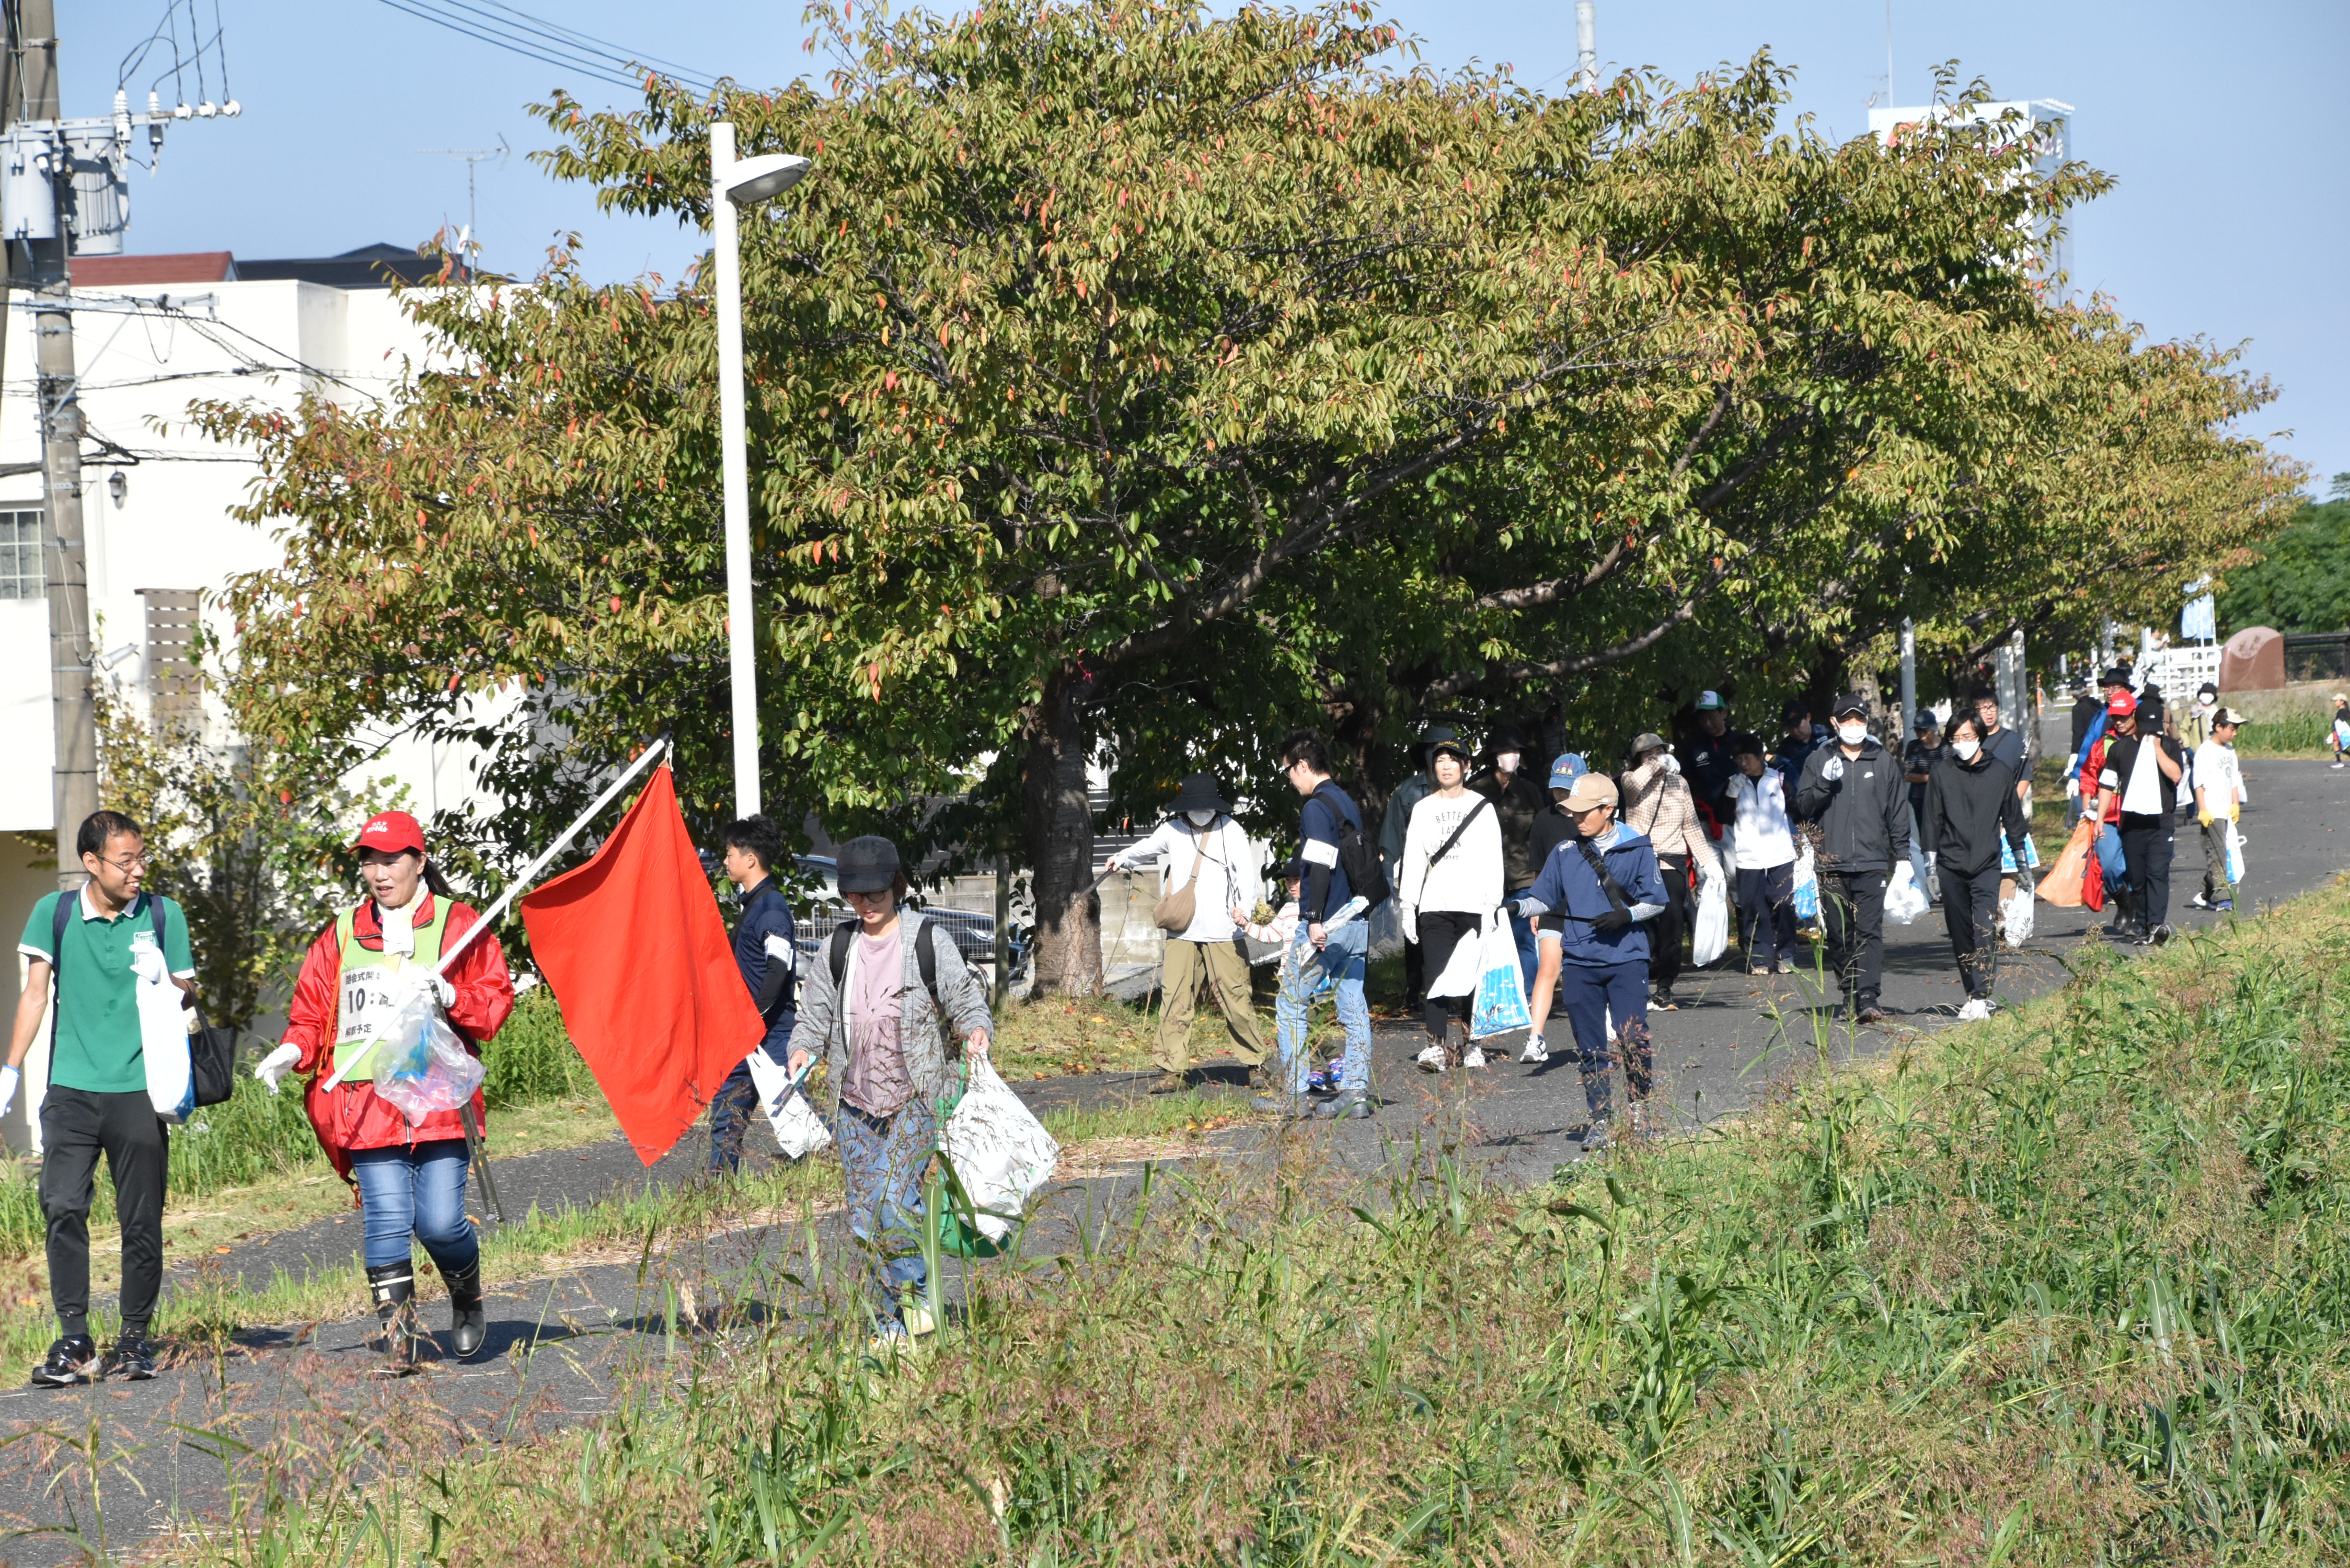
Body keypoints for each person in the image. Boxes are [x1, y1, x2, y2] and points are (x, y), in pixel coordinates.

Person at [256, 811, 515, 1373]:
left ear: (419, 861)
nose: (378, 872)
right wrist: (293, 1051)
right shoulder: (343, 932)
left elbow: (494, 1002)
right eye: (369, 861)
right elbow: (312, 1013)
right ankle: (398, 1342)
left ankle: (466, 1294)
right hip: (366, 1101)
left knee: (440, 1223)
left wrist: (451, 994)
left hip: (439, 1098)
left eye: (390, 859)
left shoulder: (458, 923)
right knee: (387, 1218)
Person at [2, 812, 192, 1387]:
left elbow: (187, 1000)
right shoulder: (54, 913)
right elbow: (35, 996)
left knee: (141, 1219)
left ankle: (135, 1339)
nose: (137, 871)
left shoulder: (164, 914)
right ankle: (76, 1341)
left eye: (141, 858)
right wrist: (10, 1069)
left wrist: (166, 979)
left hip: (140, 1090)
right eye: (124, 861)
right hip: (71, 1090)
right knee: (62, 1206)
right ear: (92, 863)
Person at [784, 836, 993, 1342]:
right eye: (856, 896)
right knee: (863, 1219)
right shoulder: (839, 946)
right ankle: (888, 1326)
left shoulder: (926, 940)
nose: (866, 905)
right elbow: (812, 1016)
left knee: (894, 1203)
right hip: (853, 1104)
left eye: (875, 895)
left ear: (895, 888)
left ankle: (916, 1300)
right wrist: (801, 1050)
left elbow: (964, 1000)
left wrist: (975, 1030)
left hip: (916, 1096)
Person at [1511, 774, 1670, 1152]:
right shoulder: (1565, 852)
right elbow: (1543, 899)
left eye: (1585, 812)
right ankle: (1601, 1120)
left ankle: (1640, 1112)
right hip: (1580, 962)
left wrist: (1627, 917)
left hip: (1627, 959)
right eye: (1573, 812)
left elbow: (1658, 901)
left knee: (1632, 1039)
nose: (1577, 819)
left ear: (1608, 809)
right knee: (1591, 1047)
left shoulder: (1638, 848)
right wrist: (1516, 907)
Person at [1106, 774, 1266, 1094]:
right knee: (1174, 998)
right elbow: (1146, 847)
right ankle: (1171, 1070)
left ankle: (1256, 1064)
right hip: (1183, 931)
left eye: (1204, 807)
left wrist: (1244, 910)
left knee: (1235, 998)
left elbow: (1246, 876)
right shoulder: (1173, 829)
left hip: (1225, 930)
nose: (1199, 813)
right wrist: (1120, 858)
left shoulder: (1231, 830)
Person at [1277, 730, 1377, 1120]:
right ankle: (1354, 1093)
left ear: (1302, 765)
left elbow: (1319, 863)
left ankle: (1296, 1095)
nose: (1289, 779)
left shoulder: (1315, 807)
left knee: (1290, 1004)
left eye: (1289, 770)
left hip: (1327, 922)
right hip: (1356, 918)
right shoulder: (1345, 800)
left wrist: (1314, 919)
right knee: (1353, 1004)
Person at [1793, 695, 1911, 1024]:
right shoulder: (1819, 760)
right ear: (1834, 723)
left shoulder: (1883, 761)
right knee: (1839, 932)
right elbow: (1802, 809)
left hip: (1873, 861)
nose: (1854, 726)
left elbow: (1898, 811)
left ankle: (1869, 996)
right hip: (1832, 862)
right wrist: (1824, 785)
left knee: (1870, 931)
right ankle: (1849, 993)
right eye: (1847, 720)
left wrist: (1902, 856)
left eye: (1860, 720)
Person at [1398, 737, 1504, 1072]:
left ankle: (1473, 1044)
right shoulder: (1423, 808)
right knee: (1438, 976)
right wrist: (1407, 906)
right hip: (1436, 904)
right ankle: (1435, 1047)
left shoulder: (1483, 807)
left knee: (1473, 979)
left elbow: (1493, 859)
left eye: (1453, 760)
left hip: (1474, 905)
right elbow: (1414, 858)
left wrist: (1492, 905)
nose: (1446, 766)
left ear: (1466, 766)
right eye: (1439, 760)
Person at [704, 814, 800, 1177]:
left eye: (730, 853)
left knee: (801, 1119)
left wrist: (751, 1016)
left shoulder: (772, 909)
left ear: (750, 859)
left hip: (772, 1036)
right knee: (726, 1116)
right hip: (745, 1036)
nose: (725, 861)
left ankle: (831, 1178)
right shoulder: (754, 906)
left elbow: (778, 972)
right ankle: (717, 1194)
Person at [1920, 714, 2030, 1020]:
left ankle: (1982, 995)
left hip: (1986, 863)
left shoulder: (2000, 772)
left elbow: (2013, 818)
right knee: (1960, 932)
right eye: (1955, 739)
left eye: (1967, 737)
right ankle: (1971, 992)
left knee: (1984, 927)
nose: (1961, 744)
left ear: (1980, 737)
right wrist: (1930, 867)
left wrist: (2021, 862)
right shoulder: (1942, 773)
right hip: (1950, 864)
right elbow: (1931, 820)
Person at [2090, 689, 2186, 945]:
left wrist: (2156, 748)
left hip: (2160, 824)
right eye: (2147, 727)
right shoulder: (2120, 749)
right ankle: (2143, 925)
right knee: (2138, 877)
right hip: (2131, 824)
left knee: (2158, 873)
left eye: (2156, 727)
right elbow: (2108, 785)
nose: (2152, 731)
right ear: (2137, 722)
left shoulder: (2169, 745)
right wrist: (2100, 818)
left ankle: (2157, 924)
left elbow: (2176, 775)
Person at [1620, 732, 1708, 1010]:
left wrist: (1710, 863)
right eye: (1650, 754)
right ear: (1638, 760)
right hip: (1640, 860)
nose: (1657, 758)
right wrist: (1655, 764)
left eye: (1661, 752)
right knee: (1642, 926)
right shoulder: (1629, 779)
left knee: (1672, 925)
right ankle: (1641, 982)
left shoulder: (1679, 783)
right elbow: (1633, 786)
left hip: (1673, 860)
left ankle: (1665, 987)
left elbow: (1691, 825)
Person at [1377, 725, 1457, 1012]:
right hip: (1419, 873)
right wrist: (1388, 880)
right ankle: (1414, 991)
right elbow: (1393, 834)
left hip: (1456, 873)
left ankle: (1456, 990)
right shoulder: (1407, 792)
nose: (1440, 758)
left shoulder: (1465, 791)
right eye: (1434, 752)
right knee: (1416, 935)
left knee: (1457, 929)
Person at [1520, 753, 1589, 1065]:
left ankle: (1600, 1029)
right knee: (1548, 970)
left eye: (1569, 787)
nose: (1562, 794)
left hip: (1589, 909)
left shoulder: (1594, 818)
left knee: (1587, 971)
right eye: (1557, 788)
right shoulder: (1544, 820)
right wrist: (1536, 907)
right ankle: (1535, 1038)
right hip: (1553, 907)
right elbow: (1538, 871)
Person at [1468, 725, 1547, 994]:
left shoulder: (1530, 790)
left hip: (1524, 879)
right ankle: (1489, 998)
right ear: (1493, 757)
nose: (1511, 757)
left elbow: (1541, 837)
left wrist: (1542, 884)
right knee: (1485, 941)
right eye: (1505, 752)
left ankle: (1528, 997)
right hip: (1485, 882)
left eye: (1515, 751)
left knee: (1525, 941)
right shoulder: (1475, 791)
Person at [1724, 735, 1799, 975]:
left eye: (1748, 758)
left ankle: (1786, 953)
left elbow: (1798, 808)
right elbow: (1722, 816)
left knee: (1785, 905)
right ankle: (1760, 958)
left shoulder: (1779, 779)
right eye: (1739, 759)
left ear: (1759, 757)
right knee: (1753, 909)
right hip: (1749, 856)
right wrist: (1729, 796)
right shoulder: (1735, 783)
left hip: (1780, 853)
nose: (1744, 763)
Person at [2191, 707, 2247, 913]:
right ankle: (2221, 897)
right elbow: (2199, 784)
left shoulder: (2230, 751)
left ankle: (2206, 892)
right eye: (2232, 728)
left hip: (2226, 811)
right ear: (2218, 727)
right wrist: (2203, 809)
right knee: (2218, 854)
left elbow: (2234, 780)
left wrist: (2235, 804)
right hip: (2212, 811)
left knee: (2223, 853)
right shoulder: (2205, 752)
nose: (2235, 733)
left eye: (2236, 729)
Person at [1678, 690, 1737, 828]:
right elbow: (1686, 783)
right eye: (1703, 718)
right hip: (1705, 819)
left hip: (1740, 817)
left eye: (1711, 717)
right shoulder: (1692, 746)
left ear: (1724, 713)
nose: (1708, 723)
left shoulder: (1741, 743)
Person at [1770, 700, 1821, 789]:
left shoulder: (1827, 734)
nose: (1795, 731)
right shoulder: (1784, 750)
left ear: (1808, 717)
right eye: (1790, 728)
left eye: (1797, 725)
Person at [2332, 696, 2349, 769]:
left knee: (2336, 746)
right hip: (2341, 731)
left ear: (2342, 702)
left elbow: (2340, 723)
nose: (2335, 702)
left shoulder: (2342, 711)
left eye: (2336, 701)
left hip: (2340, 731)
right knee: (2341, 748)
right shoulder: (2346, 710)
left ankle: (2339, 762)